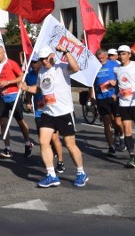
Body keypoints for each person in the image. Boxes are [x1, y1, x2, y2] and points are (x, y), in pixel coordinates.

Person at [20, 45, 88, 188]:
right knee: (43, 142)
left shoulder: (61, 67)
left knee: (70, 145)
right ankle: (51, 175)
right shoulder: (41, 72)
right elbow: (38, 89)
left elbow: (75, 68)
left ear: (52, 56)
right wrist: (26, 88)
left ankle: (81, 172)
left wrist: (66, 52)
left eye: (46, 58)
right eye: (41, 59)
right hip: (48, 112)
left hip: (64, 113)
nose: (44, 61)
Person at [0, 46, 33, 159]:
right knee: (3, 123)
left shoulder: (11, 63)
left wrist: (9, 82)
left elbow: (21, 76)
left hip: (13, 96)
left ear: (4, 52)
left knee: (20, 121)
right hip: (2, 98)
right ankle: (7, 148)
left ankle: (28, 143)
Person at [24, 58, 65, 174]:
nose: (33, 64)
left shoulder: (48, 72)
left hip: (53, 109)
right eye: (31, 62)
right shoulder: (29, 76)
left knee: (55, 138)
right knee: (43, 138)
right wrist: (27, 101)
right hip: (39, 110)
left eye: (35, 62)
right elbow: (29, 91)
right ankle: (49, 157)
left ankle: (60, 162)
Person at [93, 48, 122, 156]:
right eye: (98, 58)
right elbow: (91, 83)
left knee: (117, 121)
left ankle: (121, 136)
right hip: (101, 97)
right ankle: (111, 146)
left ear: (106, 56)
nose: (100, 61)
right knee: (106, 121)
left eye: (102, 58)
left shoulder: (114, 64)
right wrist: (92, 97)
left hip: (113, 96)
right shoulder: (95, 66)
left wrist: (117, 92)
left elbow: (122, 79)